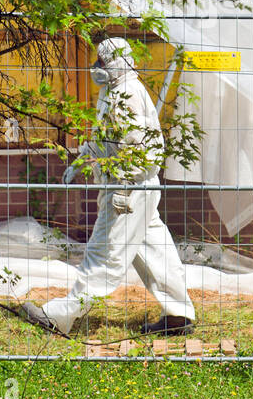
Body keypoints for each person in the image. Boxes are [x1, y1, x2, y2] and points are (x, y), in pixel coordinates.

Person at [19, 37, 196, 336]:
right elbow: (108, 140)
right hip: (135, 188)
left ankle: (59, 317)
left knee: (103, 255)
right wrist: (84, 157)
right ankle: (179, 314)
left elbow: (137, 153)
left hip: (127, 188)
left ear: (117, 63)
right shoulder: (113, 90)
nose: (96, 67)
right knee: (157, 253)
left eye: (102, 62)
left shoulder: (126, 95)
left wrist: (122, 187)